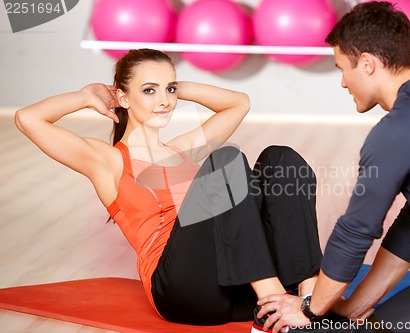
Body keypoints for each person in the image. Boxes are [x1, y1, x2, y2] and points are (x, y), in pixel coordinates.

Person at [14, 48, 323, 330]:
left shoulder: (184, 150)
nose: (164, 101)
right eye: (149, 91)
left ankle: (308, 302)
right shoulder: (108, 161)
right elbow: (28, 119)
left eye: (170, 90)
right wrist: (85, 95)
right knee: (226, 160)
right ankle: (273, 311)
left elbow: (238, 103)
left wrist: (169, 84)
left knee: (281, 158)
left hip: (239, 287)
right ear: (123, 97)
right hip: (185, 291)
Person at [257, 2, 410, 333]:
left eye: (342, 67)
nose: (343, 82)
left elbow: (355, 232)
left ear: (367, 64)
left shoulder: (398, 129)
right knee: (358, 323)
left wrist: (311, 310)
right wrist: (348, 309)